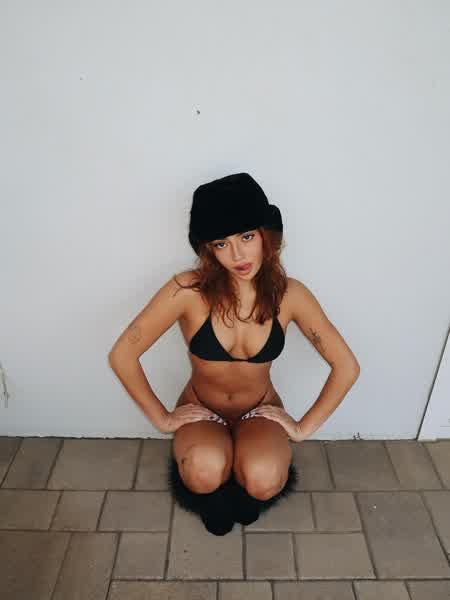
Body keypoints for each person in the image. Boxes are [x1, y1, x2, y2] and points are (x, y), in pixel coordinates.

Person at [108, 172, 360, 536]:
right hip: (201, 407)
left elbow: (346, 366)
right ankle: (212, 493)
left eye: (246, 237)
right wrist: (162, 419)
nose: (238, 255)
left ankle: (245, 489)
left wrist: (303, 428)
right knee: (202, 470)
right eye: (221, 243)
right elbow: (123, 355)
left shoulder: (291, 295)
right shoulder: (187, 291)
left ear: (265, 235)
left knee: (264, 478)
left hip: (259, 408)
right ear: (208, 249)